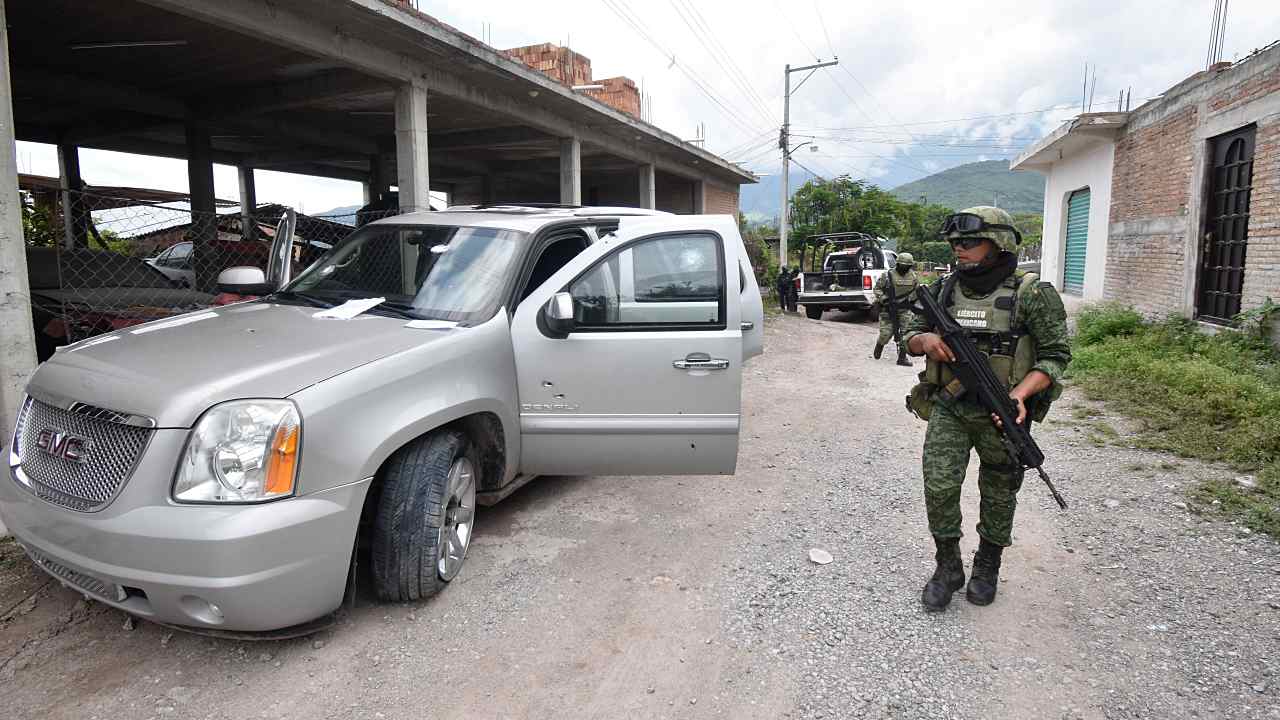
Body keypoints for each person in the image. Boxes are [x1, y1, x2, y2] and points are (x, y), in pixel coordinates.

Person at [902, 206, 1071, 612]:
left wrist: (1020, 395)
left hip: (1003, 413)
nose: (959, 250)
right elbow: (906, 332)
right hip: (950, 406)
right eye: (955, 243)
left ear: (998, 244)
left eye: (969, 243)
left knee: (999, 493)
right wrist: (923, 341)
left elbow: (1055, 356)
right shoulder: (942, 289)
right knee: (939, 488)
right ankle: (947, 568)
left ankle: (987, 566)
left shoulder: (1032, 294)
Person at [872, 252, 920, 366]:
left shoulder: (913, 276)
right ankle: (880, 345)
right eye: (902, 265)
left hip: (905, 310)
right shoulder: (887, 275)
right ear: (897, 264)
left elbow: (917, 291)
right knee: (886, 334)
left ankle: (902, 358)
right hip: (888, 309)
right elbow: (877, 288)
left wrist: (914, 302)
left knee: (905, 334)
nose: (904, 268)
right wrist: (883, 298)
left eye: (907, 266)